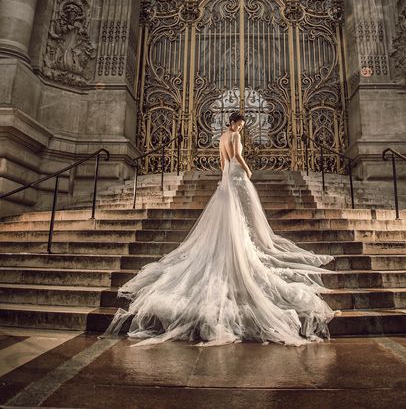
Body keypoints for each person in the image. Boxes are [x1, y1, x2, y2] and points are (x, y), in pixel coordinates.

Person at [103, 111, 337, 346]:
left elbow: (223, 161)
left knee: (231, 215)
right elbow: (235, 156)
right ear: (234, 123)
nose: (242, 127)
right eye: (241, 123)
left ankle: (235, 242)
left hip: (227, 176)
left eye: (243, 124)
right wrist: (247, 170)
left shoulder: (221, 137)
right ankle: (239, 245)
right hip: (236, 176)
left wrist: (226, 175)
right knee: (241, 215)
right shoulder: (234, 136)